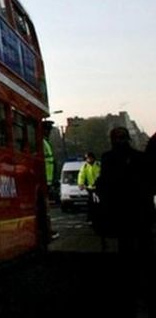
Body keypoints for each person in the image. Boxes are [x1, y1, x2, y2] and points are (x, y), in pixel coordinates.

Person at [95, 126, 154, 309]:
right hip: (141, 211)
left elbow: (104, 185)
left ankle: (128, 289)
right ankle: (145, 287)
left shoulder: (107, 158)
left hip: (121, 212)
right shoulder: (140, 157)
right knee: (145, 249)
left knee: (126, 248)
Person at [77, 151, 101, 225]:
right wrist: (81, 184)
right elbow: (81, 175)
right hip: (90, 188)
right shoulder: (85, 166)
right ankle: (90, 218)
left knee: (99, 203)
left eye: (90, 158)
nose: (89, 160)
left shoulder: (98, 164)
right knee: (91, 203)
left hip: (99, 187)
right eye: (87, 158)